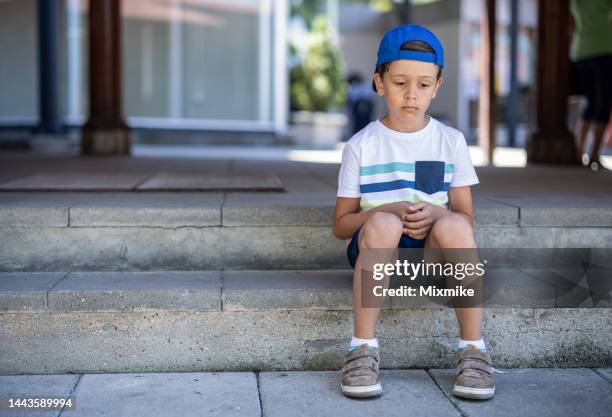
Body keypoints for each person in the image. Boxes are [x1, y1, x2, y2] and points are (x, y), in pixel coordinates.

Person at [332, 24, 495, 400]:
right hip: (377, 250)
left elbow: (466, 221)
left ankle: (473, 350)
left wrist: (438, 216)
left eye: (423, 84)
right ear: (378, 82)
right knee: (386, 222)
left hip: (430, 258)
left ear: (438, 86)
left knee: (455, 226)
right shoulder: (361, 145)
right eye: (400, 82)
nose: (411, 95)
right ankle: (362, 348)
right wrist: (382, 210)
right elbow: (341, 226)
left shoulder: (450, 141)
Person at [569, 0, 612, 171]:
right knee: (603, 102)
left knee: (591, 101)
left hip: (581, 50)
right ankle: (593, 155)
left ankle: (579, 152)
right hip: (603, 48)